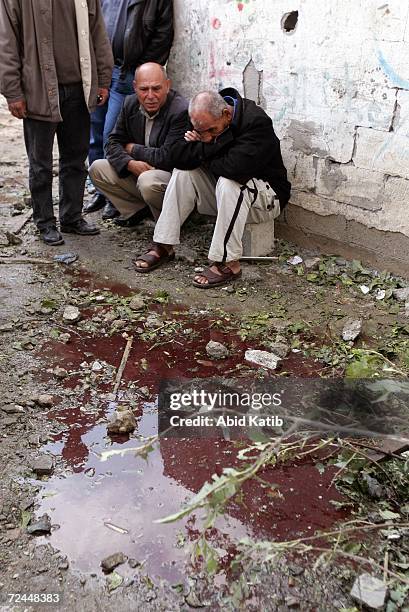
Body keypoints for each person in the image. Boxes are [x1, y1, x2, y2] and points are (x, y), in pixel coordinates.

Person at [134, 88, 291, 287]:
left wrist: (203, 146)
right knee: (185, 173)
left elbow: (235, 169)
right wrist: (215, 145)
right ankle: (164, 244)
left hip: (265, 199)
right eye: (199, 132)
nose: (206, 136)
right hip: (224, 197)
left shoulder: (255, 122)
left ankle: (228, 261)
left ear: (226, 114)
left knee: (229, 181)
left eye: (212, 131)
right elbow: (175, 156)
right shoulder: (199, 116)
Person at [0, 0, 114, 246]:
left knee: (75, 161)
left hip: (79, 89)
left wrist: (103, 77)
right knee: (40, 165)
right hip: (38, 90)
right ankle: (45, 222)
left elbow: (97, 32)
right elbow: (6, 42)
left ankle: (72, 217)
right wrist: (12, 92)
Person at [84, 0, 174, 220]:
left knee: (110, 134)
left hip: (129, 73)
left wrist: (140, 68)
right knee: (94, 132)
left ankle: (116, 197)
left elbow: (163, 33)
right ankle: (101, 191)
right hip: (101, 69)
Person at [89, 63, 187, 226]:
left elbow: (167, 156)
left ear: (168, 86)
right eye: (144, 89)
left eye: (156, 89)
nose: (150, 96)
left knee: (147, 181)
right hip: (142, 172)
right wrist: (129, 163)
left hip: (168, 181)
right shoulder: (130, 103)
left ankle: (169, 222)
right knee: (97, 168)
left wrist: (132, 148)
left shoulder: (179, 110)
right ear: (134, 87)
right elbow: (112, 142)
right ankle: (138, 210)